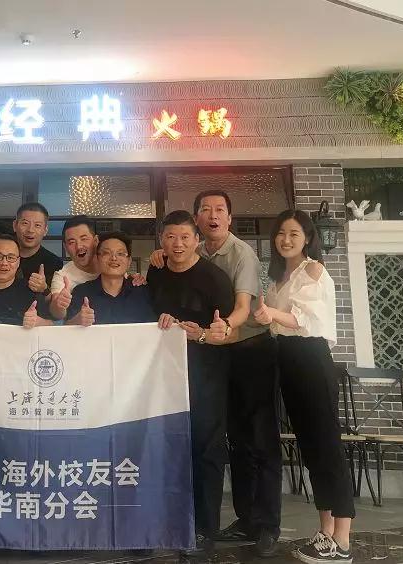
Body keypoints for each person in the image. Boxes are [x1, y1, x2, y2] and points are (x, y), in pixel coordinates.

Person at [151, 191, 282, 556]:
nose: (213, 215)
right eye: (205, 210)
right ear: (196, 221)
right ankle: (246, 518)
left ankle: (267, 524)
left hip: (249, 350)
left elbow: (241, 309)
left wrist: (217, 329)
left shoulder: (240, 254)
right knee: (234, 439)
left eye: (219, 210)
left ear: (229, 217)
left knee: (258, 438)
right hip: (211, 357)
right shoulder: (190, 253)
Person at [256, 210, 353, 564]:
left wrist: (270, 314)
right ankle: (325, 531)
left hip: (311, 359)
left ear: (308, 238)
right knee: (311, 450)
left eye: (294, 233)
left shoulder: (313, 270)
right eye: (281, 233)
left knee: (327, 447)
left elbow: (306, 319)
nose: (286, 239)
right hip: (288, 361)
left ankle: (342, 540)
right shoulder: (279, 277)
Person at [146, 210, 235, 558]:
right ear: (161, 241)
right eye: (170, 237)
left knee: (206, 450)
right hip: (162, 378)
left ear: (197, 240)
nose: (178, 244)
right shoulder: (155, 273)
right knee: (167, 449)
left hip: (205, 376)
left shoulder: (215, 278)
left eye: (185, 237)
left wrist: (201, 335)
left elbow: (229, 333)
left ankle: (205, 529)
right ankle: (169, 521)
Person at [65, 232, 156, 326]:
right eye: (106, 253)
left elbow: (154, 329)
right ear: (97, 259)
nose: (114, 258)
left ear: (129, 261)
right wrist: (76, 322)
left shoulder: (142, 292)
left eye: (120, 253)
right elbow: (65, 329)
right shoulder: (81, 292)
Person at [0, 234, 51, 327]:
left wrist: (38, 322)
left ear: (18, 262)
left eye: (10, 258)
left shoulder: (31, 291)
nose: (4, 263)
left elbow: (51, 324)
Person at [49, 216, 100, 320]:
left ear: (96, 241)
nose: (79, 246)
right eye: (71, 242)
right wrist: (59, 304)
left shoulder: (109, 265)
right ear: (65, 247)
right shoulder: (62, 275)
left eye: (84, 239)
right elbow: (56, 313)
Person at [13, 202, 63, 293]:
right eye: (25, 223)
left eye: (37, 225)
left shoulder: (54, 262)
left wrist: (44, 289)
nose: (30, 230)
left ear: (45, 230)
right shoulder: (0, 256)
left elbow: (55, 299)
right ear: (15, 226)